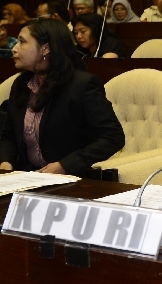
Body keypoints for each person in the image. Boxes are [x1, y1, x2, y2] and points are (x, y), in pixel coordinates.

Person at [0, 18, 125, 175]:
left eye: (22, 42)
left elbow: (113, 137)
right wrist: (6, 163)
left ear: (45, 49)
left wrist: (65, 165)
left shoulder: (82, 85)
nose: (14, 48)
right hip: (28, 177)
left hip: (73, 178)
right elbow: (9, 134)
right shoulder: (21, 84)